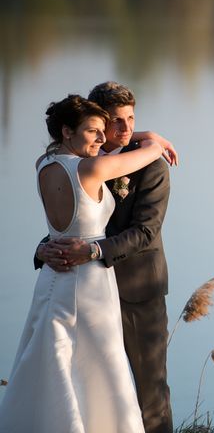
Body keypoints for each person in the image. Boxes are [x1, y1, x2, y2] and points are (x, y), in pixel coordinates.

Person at [0, 95, 166, 432]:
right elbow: (152, 152)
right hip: (89, 279)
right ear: (67, 131)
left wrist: (108, 131)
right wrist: (155, 138)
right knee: (101, 364)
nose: (103, 138)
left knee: (49, 359)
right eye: (94, 130)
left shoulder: (42, 165)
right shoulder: (93, 168)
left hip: (52, 275)